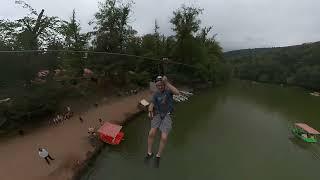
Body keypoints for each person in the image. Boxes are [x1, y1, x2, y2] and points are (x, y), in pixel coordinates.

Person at [145, 76, 180, 168]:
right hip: (157, 114)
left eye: (161, 85)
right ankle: (149, 153)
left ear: (164, 85)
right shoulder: (156, 94)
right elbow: (152, 104)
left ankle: (158, 156)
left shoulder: (168, 91)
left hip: (167, 115)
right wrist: (150, 111)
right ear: (156, 86)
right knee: (151, 133)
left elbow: (177, 92)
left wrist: (167, 83)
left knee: (164, 137)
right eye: (158, 85)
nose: (160, 87)